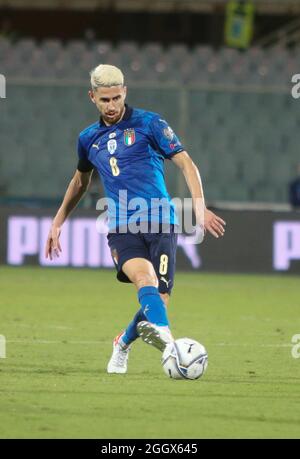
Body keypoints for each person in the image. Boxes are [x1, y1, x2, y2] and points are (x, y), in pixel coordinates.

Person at [45, 64, 226, 374]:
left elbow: (186, 163)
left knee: (160, 300)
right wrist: (58, 221)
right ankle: (173, 350)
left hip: (161, 223)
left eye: (116, 98)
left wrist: (200, 207)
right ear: (92, 98)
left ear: (125, 92)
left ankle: (123, 342)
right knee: (146, 281)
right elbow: (79, 182)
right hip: (122, 227)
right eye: (105, 100)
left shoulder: (150, 124)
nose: (112, 106)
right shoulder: (88, 139)